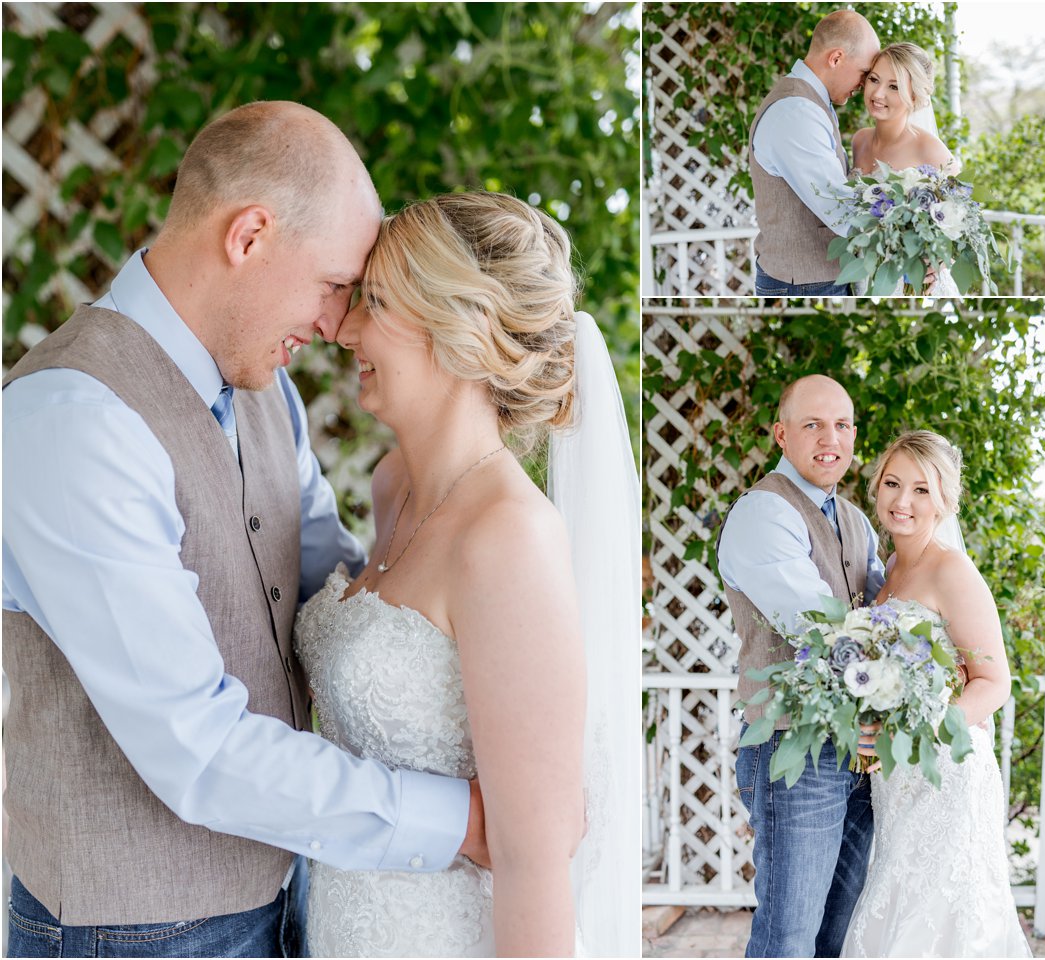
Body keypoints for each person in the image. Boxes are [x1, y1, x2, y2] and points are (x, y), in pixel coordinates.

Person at [2, 101, 487, 959]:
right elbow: (199, 748)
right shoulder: (72, 420)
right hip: (139, 933)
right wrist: (463, 822)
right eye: (334, 283)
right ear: (250, 236)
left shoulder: (269, 393)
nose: (338, 325)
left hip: (299, 890)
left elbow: (327, 588)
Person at [293, 192, 641, 958]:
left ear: (460, 323)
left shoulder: (508, 539)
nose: (344, 329)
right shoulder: (395, 486)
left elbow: (535, 860)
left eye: (374, 303)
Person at [841, 430, 1032, 957]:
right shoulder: (889, 569)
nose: (903, 501)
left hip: (946, 772)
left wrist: (920, 729)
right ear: (876, 487)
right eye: (893, 484)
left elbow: (994, 683)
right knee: (897, 904)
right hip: (897, 782)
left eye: (922, 490)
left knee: (943, 919)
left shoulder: (952, 570)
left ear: (945, 499)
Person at [716, 374, 886, 958]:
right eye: (812, 424)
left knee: (834, 937)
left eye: (841, 425)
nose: (828, 439)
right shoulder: (763, 512)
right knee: (788, 938)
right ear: (781, 434)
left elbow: (893, 614)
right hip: (797, 750)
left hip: (862, 753)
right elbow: (825, 630)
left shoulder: (859, 522)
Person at [749, 10, 881, 296]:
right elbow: (841, 209)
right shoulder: (796, 112)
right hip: (803, 286)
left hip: (816, 280)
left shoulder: (809, 103)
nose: (864, 84)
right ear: (836, 58)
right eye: (863, 73)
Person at [850, 42, 962, 295]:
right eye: (874, 80)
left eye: (893, 86)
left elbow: (963, 220)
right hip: (865, 278)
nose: (878, 94)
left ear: (914, 95)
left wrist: (944, 258)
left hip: (917, 284)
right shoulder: (859, 141)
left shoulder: (930, 149)